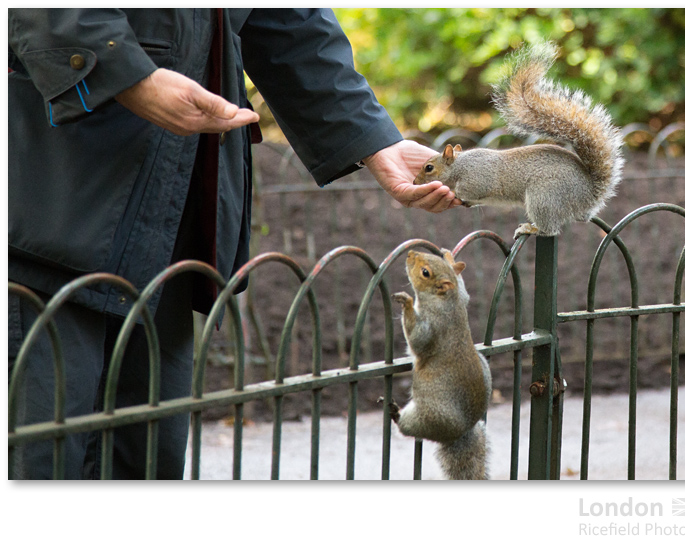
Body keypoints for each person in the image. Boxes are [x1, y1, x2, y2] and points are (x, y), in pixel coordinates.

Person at [8, 8, 459, 479]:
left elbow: (288, 22)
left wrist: (371, 138)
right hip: (49, 209)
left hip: (174, 234)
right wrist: (125, 74)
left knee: (147, 463)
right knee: (42, 462)